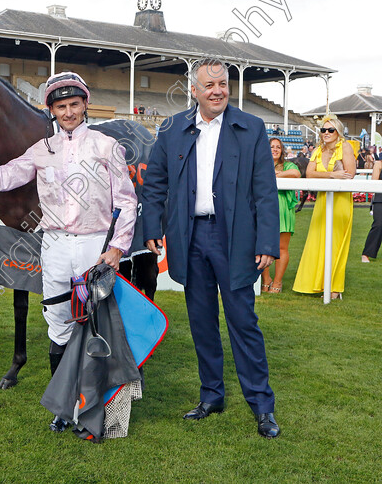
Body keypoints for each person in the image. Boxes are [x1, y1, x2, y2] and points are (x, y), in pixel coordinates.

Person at [0, 71, 139, 438]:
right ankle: (65, 407)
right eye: (61, 107)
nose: (68, 112)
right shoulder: (41, 150)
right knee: (59, 325)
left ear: (84, 104)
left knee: (98, 324)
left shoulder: (107, 146)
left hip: (95, 245)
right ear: (52, 110)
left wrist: (116, 247)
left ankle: (100, 406)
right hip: (56, 245)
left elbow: (127, 202)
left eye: (74, 104)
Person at [142, 58, 281, 439]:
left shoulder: (251, 127)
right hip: (191, 237)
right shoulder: (172, 128)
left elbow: (265, 191)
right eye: (209, 85)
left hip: (235, 240)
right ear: (194, 90)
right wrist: (152, 225)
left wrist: (267, 240)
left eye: (222, 84)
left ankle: (262, 406)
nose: (217, 90)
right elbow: (155, 183)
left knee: (243, 323)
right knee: (202, 323)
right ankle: (211, 396)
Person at [292, 115, 355, 299]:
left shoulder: (345, 147)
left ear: (338, 132)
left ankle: (334, 288)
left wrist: (332, 176)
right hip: (322, 201)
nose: (326, 133)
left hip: (341, 201)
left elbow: (349, 174)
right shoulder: (318, 150)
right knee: (318, 241)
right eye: (323, 130)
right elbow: (309, 174)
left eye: (330, 130)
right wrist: (332, 175)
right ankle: (317, 284)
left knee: (335, 242)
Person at [261, 138, 300, 293]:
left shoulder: (288, 165)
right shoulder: (261, 163)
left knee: (282, 247)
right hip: (264, 209)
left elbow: (296, 173)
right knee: (263, 246)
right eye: (271, 147)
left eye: (278, 147)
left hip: (283, 209)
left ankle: (277, 282)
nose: (275, 149)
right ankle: (266, 280)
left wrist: (279, 174)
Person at [362, 159, 382, 263]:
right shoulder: (379, 164)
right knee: (378, 225)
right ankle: (366, 254)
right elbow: (374, 183)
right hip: (380, 198)